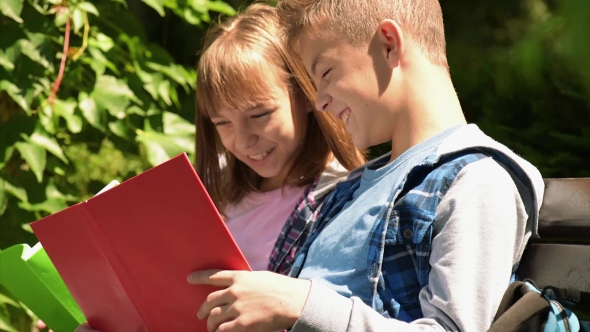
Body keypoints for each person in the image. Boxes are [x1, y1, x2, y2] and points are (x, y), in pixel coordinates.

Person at [181, 0, 546, 331]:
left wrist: (299, 303)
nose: (319, 101)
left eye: (324, 74)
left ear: (389, 43)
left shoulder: (477, 179)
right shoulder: (345, 194)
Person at [74, 4, 364, 332]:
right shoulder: (214, 193)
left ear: (306, 95)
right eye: (222, 122)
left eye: (259, 115)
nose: (243, 141)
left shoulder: (345, 202)